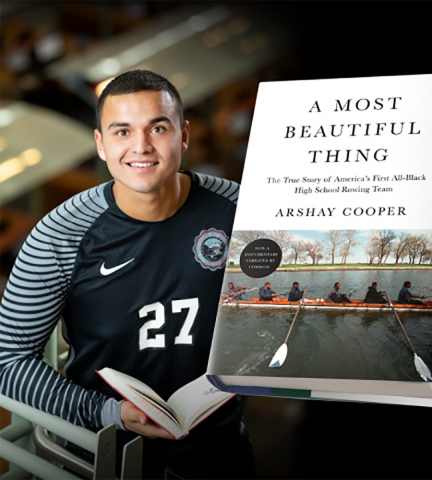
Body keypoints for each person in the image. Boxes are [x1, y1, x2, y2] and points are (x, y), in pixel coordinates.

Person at [0, 70, 254, 480]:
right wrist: (110, 412)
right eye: (122, 132)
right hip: (103, 458)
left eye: (158, 127)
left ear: (183, 135)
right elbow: (6, 361)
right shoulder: (60, 234)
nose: (141, 147)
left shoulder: (240, 209)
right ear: (100, 144)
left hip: (222, 451)